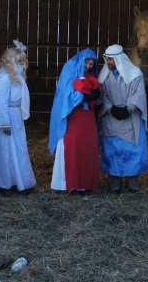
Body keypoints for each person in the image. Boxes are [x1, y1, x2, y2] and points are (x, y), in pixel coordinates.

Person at [97, 44, 148, 193]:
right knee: (112, 150)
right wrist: (110, 109)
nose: (108, 63)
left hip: (130, 118)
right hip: (111, 118)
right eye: (107, 59)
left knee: (132, 150)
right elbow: (101, 95)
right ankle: (115, 183)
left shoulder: (134, 74)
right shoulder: (104, 75)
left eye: (111, 60)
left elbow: (138, 94)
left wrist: (128, 109)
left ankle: (133, 183)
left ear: (119, 59)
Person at [48, 49, 101, 193]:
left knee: (88, 147)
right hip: (73, 116)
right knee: (72, 147)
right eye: (87, 62)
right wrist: (83, 96)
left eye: (91, 63)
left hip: (87, 116)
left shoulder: (89, 74)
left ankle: (85, 184)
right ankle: (68, 183)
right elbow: (66, 94)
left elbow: (95, 91)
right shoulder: (69, 70)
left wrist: (95, 93)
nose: (89, 66)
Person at [0, 42, 36, 194]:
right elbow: (1, 102)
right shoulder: (5, 79)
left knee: (18, 148)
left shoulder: (17, 78)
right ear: (10, 62)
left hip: (15, 115)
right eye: (19, 61)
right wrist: (3, 123)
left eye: (23, 61)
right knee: (5, 150)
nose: (22, 64)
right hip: (6, 116)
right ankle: (4, 184)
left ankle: (18, 181)